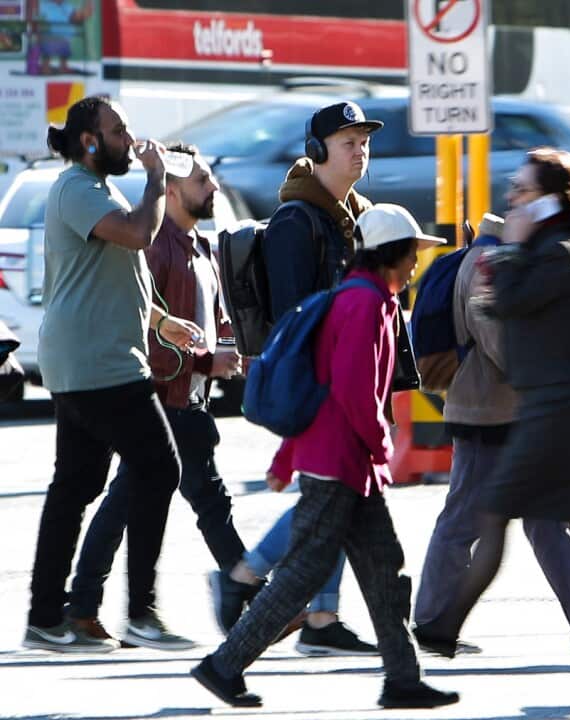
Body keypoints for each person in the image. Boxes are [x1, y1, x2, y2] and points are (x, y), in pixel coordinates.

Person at [190, 204, 457, 710]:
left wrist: (292, 456)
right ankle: (225, 665)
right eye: (411, 254)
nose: (415, 264)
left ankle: (403, 679)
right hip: (341, 464)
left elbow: (323, 386)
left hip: (345, 462)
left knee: (383, 570)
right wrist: (382, 447)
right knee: (303, 575)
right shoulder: (366, 305)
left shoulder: (362, 298)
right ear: (393, 255)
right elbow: (354, 392)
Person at [411, 147, 570, 665]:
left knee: (499, 519)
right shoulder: (539, 250)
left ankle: (441, 625)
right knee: (567, 521)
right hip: (529, 411)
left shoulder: (562, 252)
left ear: (552, 200)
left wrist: (511, 249)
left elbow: (506, 308)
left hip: (550, 414)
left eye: (523, 190)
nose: (512, 199)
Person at [209, 100, 387, 657]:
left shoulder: (351, 215)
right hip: (316, 382)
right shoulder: (297, 221)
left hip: (344, 377)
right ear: (317, 151)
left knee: (338, 495)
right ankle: (245, 577)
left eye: (364, 142)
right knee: (331, 495)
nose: (360, 151)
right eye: (347, 143)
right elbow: (295, 317)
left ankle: (321, 617)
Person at [23, 95, 200, 653]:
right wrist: (156, 180)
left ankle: (49, 617)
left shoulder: (100, 191)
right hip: (98, 361)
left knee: (77, 484)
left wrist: (163, 322)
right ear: (89, 141)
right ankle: (141, 613)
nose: (131, 139)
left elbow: (111, 273)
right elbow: (139, 236)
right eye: (119, 131)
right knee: (160, 466)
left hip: (93, 358)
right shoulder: (76, 188)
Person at [64, 144, 242, 651]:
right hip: (165, 402)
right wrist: (205, 362)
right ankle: (250, 593)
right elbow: (147, 336)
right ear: (171, 189)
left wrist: (228, 354)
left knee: (148, 502)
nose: (212, 189)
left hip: (192, 402)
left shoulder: (199, 247)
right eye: (202, 180)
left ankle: (86, 607)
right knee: (197, 501)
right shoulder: (156, 249)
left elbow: (217, 321)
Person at [410, 213, 570, 657]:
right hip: (488, 417)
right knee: (467, 521)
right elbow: (504, 344)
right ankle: (430, 620)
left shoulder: (491, 259)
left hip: (505, 413)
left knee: (546, 523)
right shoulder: (486, 263)